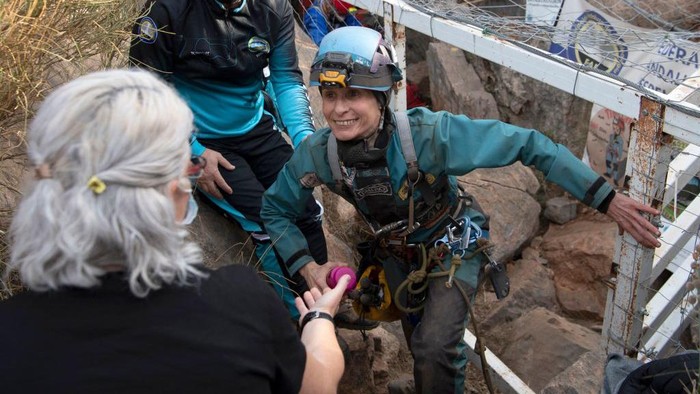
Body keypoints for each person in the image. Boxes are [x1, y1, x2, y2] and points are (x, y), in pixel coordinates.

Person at [260, 26, 663, 393]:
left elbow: (529, 143)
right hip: (396, 256)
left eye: (353, 94)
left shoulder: (428, 136)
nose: (339, 109)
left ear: (381, 96)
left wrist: (607, 199)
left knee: (435, 348)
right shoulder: (320, 155)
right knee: (420, 339)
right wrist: (307, 266)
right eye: (330, 95)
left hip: (453, 245)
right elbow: (275, 208)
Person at [0, 69, 347, 393]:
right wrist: (318, 319)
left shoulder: (11, 334)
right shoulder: (238, 303)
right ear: (173, 195)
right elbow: (317, 385)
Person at [127, 0, 373, 327]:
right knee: (264, 218)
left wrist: (305, 143)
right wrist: (189, 152)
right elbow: (144, 91)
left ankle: (325, 294)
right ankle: (299, 316)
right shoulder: (167, 11)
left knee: (306, 207)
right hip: (199, 137)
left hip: (256, 127)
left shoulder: (274, 8)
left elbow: (285, 79)